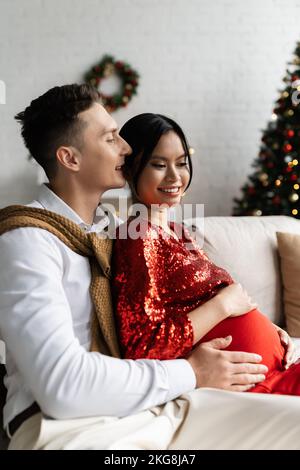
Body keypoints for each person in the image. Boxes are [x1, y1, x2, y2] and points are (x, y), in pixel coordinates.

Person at [0, 85, 299, 451]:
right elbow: (63, 387)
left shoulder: (112, 231)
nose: (127, 148)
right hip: (70, 429)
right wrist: (192, 371)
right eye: (111, 138)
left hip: (151, 409)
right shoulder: (27, 241)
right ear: (70, 158)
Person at [112, 113, 300, 396]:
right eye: (159, 165)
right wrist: (223, 305)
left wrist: (275, 330)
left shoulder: (179, 232)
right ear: (130, 169)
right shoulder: (138, 236)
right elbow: (144, 345)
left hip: (274, 368)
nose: (175, 177)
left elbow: (213, 296)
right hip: (252, 385)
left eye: (182, 164)